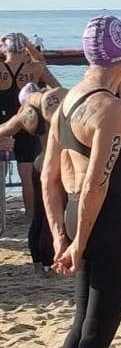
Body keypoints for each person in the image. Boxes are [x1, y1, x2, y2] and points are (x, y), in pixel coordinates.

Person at [38, 16, 121, 348]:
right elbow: (99, 181)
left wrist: (61, 234)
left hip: (81, 215)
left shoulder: (66, 100)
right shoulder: (110, 110)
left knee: (82, 324)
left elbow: (48, 177)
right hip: (109, 221)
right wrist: (79, 241)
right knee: (99, 328)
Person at [1, 32, 61, 242]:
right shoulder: (33, 69)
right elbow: (55, 85)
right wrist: (30, 47)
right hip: (28, 123)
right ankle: (30, 213)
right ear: (23, 48)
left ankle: (4, 216)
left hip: (4, 125)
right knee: (27, 177)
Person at [0, 81, 63, 272]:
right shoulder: (55, 106)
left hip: (40, 162)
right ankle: (47, 262)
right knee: (51, 217)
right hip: (54, 164)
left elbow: (3, 129)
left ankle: (39, 264)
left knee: (39, 215)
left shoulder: (26, 116)